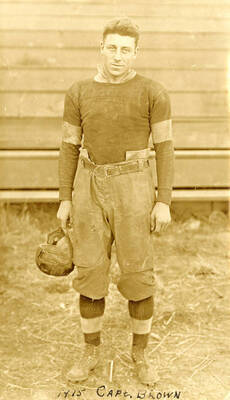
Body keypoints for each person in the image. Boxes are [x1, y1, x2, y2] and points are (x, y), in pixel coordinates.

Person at [57, 17, 174, 385]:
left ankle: (140, 355)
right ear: (101, 48)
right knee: (90, 270)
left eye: (126, 50)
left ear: (136, 53)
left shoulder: (153, 92)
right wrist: (65, 198)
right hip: (88, 185)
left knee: (138, 273)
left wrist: (164, 200)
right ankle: (90, 351)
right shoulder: (78, 92)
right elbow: (68, 147)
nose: (118, 56)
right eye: (112, 48)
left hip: (135, 185)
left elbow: (166, 149)